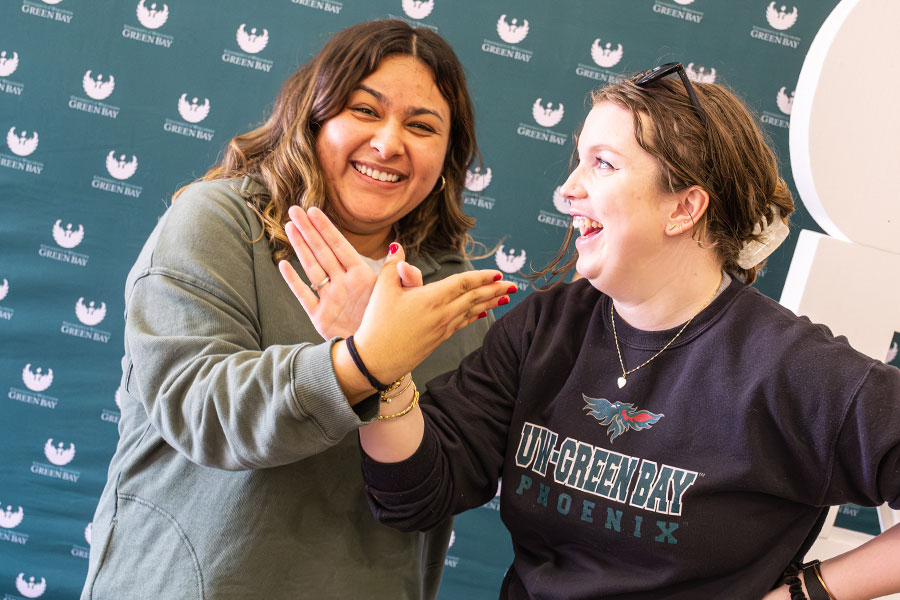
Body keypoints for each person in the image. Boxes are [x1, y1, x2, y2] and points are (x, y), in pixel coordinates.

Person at [280, 64, 900, 599]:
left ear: (684, 207)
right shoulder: (548, 326)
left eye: (602, 164)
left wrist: (812, 591)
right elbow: (416, 494)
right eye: (577, 162)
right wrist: (376, 364)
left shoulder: (788, 366)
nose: (567, 191)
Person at [82, 19, 513, 600]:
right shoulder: (219, 221)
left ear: (448, 158)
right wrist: (363, 362)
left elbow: (443, 486)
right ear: (313, 117)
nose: (389, 143)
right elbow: (202, 411)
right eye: (365, 110)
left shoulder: (454, 298)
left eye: (422, 125)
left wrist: (390, 385)